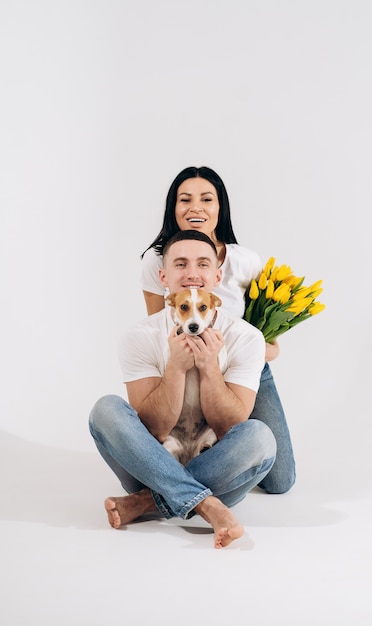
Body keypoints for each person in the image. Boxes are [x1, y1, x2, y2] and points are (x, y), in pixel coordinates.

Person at [89, 230, 277, 549]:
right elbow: (152, 428)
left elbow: (230, 427)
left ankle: (146, 502)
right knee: (105, 410)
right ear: (163, 278)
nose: (191, 273)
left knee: (260, 437)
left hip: (211, 455)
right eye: (180, 264)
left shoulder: (247, 338)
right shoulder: (139, 337)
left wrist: (209, 367)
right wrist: (175, 367)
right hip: (154, 459)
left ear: (217, 277)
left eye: (202, 263)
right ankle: (206, 504)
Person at [141, 166, 296, 494]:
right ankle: (197, 488)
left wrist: (253, 350)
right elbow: (157, 329)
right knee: (181, 442)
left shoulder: (245, 261)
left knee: (280, 481)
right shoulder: (156, 262)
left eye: (206, 199)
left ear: (220, 208)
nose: (195, 207)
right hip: (185, 366)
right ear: (173, 209)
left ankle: (159, 497)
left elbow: (270, 341)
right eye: (185, 199)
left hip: (243, 369)